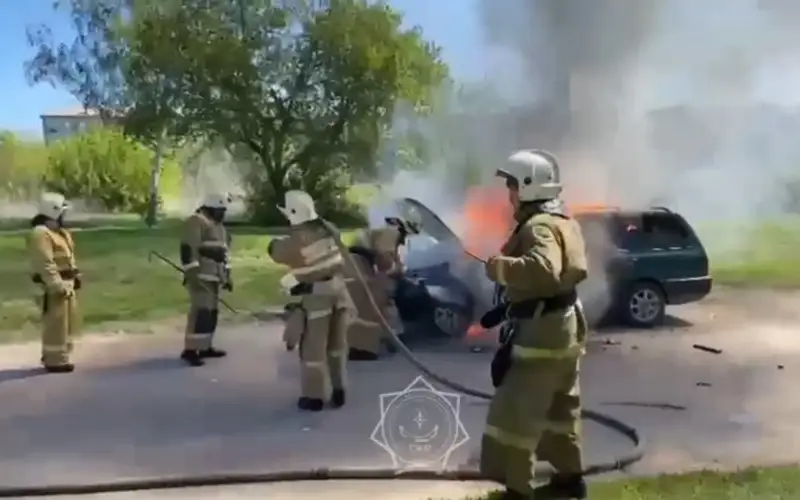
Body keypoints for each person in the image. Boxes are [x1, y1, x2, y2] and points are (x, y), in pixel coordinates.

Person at [479, 149, 590, 499]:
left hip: (541, 336)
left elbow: (544, 270)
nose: (509, 194)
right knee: (561, 409)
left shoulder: (538, 227)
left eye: (512, 185)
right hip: (564, 327)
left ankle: (517, 490)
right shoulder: (562, 221)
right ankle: (570, 481)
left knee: (515, 414)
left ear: (528, 186)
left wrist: (499, 268)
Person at [268, 190, 354, 411]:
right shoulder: (329, 230)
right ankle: (339, 390)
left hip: (317, 299)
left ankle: (314, 397)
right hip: (339, 294)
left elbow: (275, 251)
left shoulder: (296, 240)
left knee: (313, 350)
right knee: (336, 346)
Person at [345, 217, 419, 361]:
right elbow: (384, 256)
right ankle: (365, 346)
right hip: (358, 266)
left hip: (357, 266)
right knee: (375, 303)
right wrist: (392, 271)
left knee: (368, 306)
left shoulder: (381, 233)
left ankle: (363, 346)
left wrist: (397, 268)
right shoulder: (391, 232)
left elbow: (392, 258)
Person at [179, 192, 233, 367]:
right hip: (200, 276)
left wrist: (227, 276)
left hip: (215, 277)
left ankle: (205, 347)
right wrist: (192, 273)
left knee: (211, 314)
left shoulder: (220, 228)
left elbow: (225, 255)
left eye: (223, 211)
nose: (222, 214)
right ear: (209, 208)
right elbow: (188, 248)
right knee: (201, 313)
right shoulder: (196, 222)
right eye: (220, 210)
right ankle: (190, 350)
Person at [29, 192, 80, 373]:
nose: (64, 216)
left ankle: (62, 357)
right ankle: (54, 360)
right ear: (53, 211)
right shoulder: (41, 234)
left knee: (66, 325)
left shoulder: (60, 233)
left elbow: (67, 257)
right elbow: (45, 263)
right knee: (55, 324)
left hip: (67, 285)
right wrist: (56, 285)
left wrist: (75, 276)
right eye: (62, 212)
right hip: (55, 288)